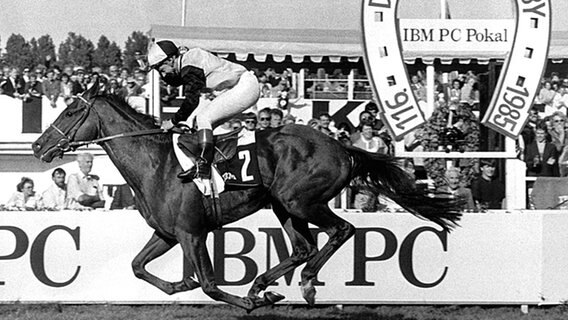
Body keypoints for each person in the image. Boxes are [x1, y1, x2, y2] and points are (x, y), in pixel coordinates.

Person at [148, 40, 260, 180]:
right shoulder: (186, 61)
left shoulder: (189, 65)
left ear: (170, 59)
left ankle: (203, 167)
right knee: (201, 124)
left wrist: (172, 121)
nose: (162, 74)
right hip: (240, 86)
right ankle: (218, 164)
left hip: (244, 86)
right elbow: (176, 80)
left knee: (203, 118)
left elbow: (191, 101)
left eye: (160, 69)